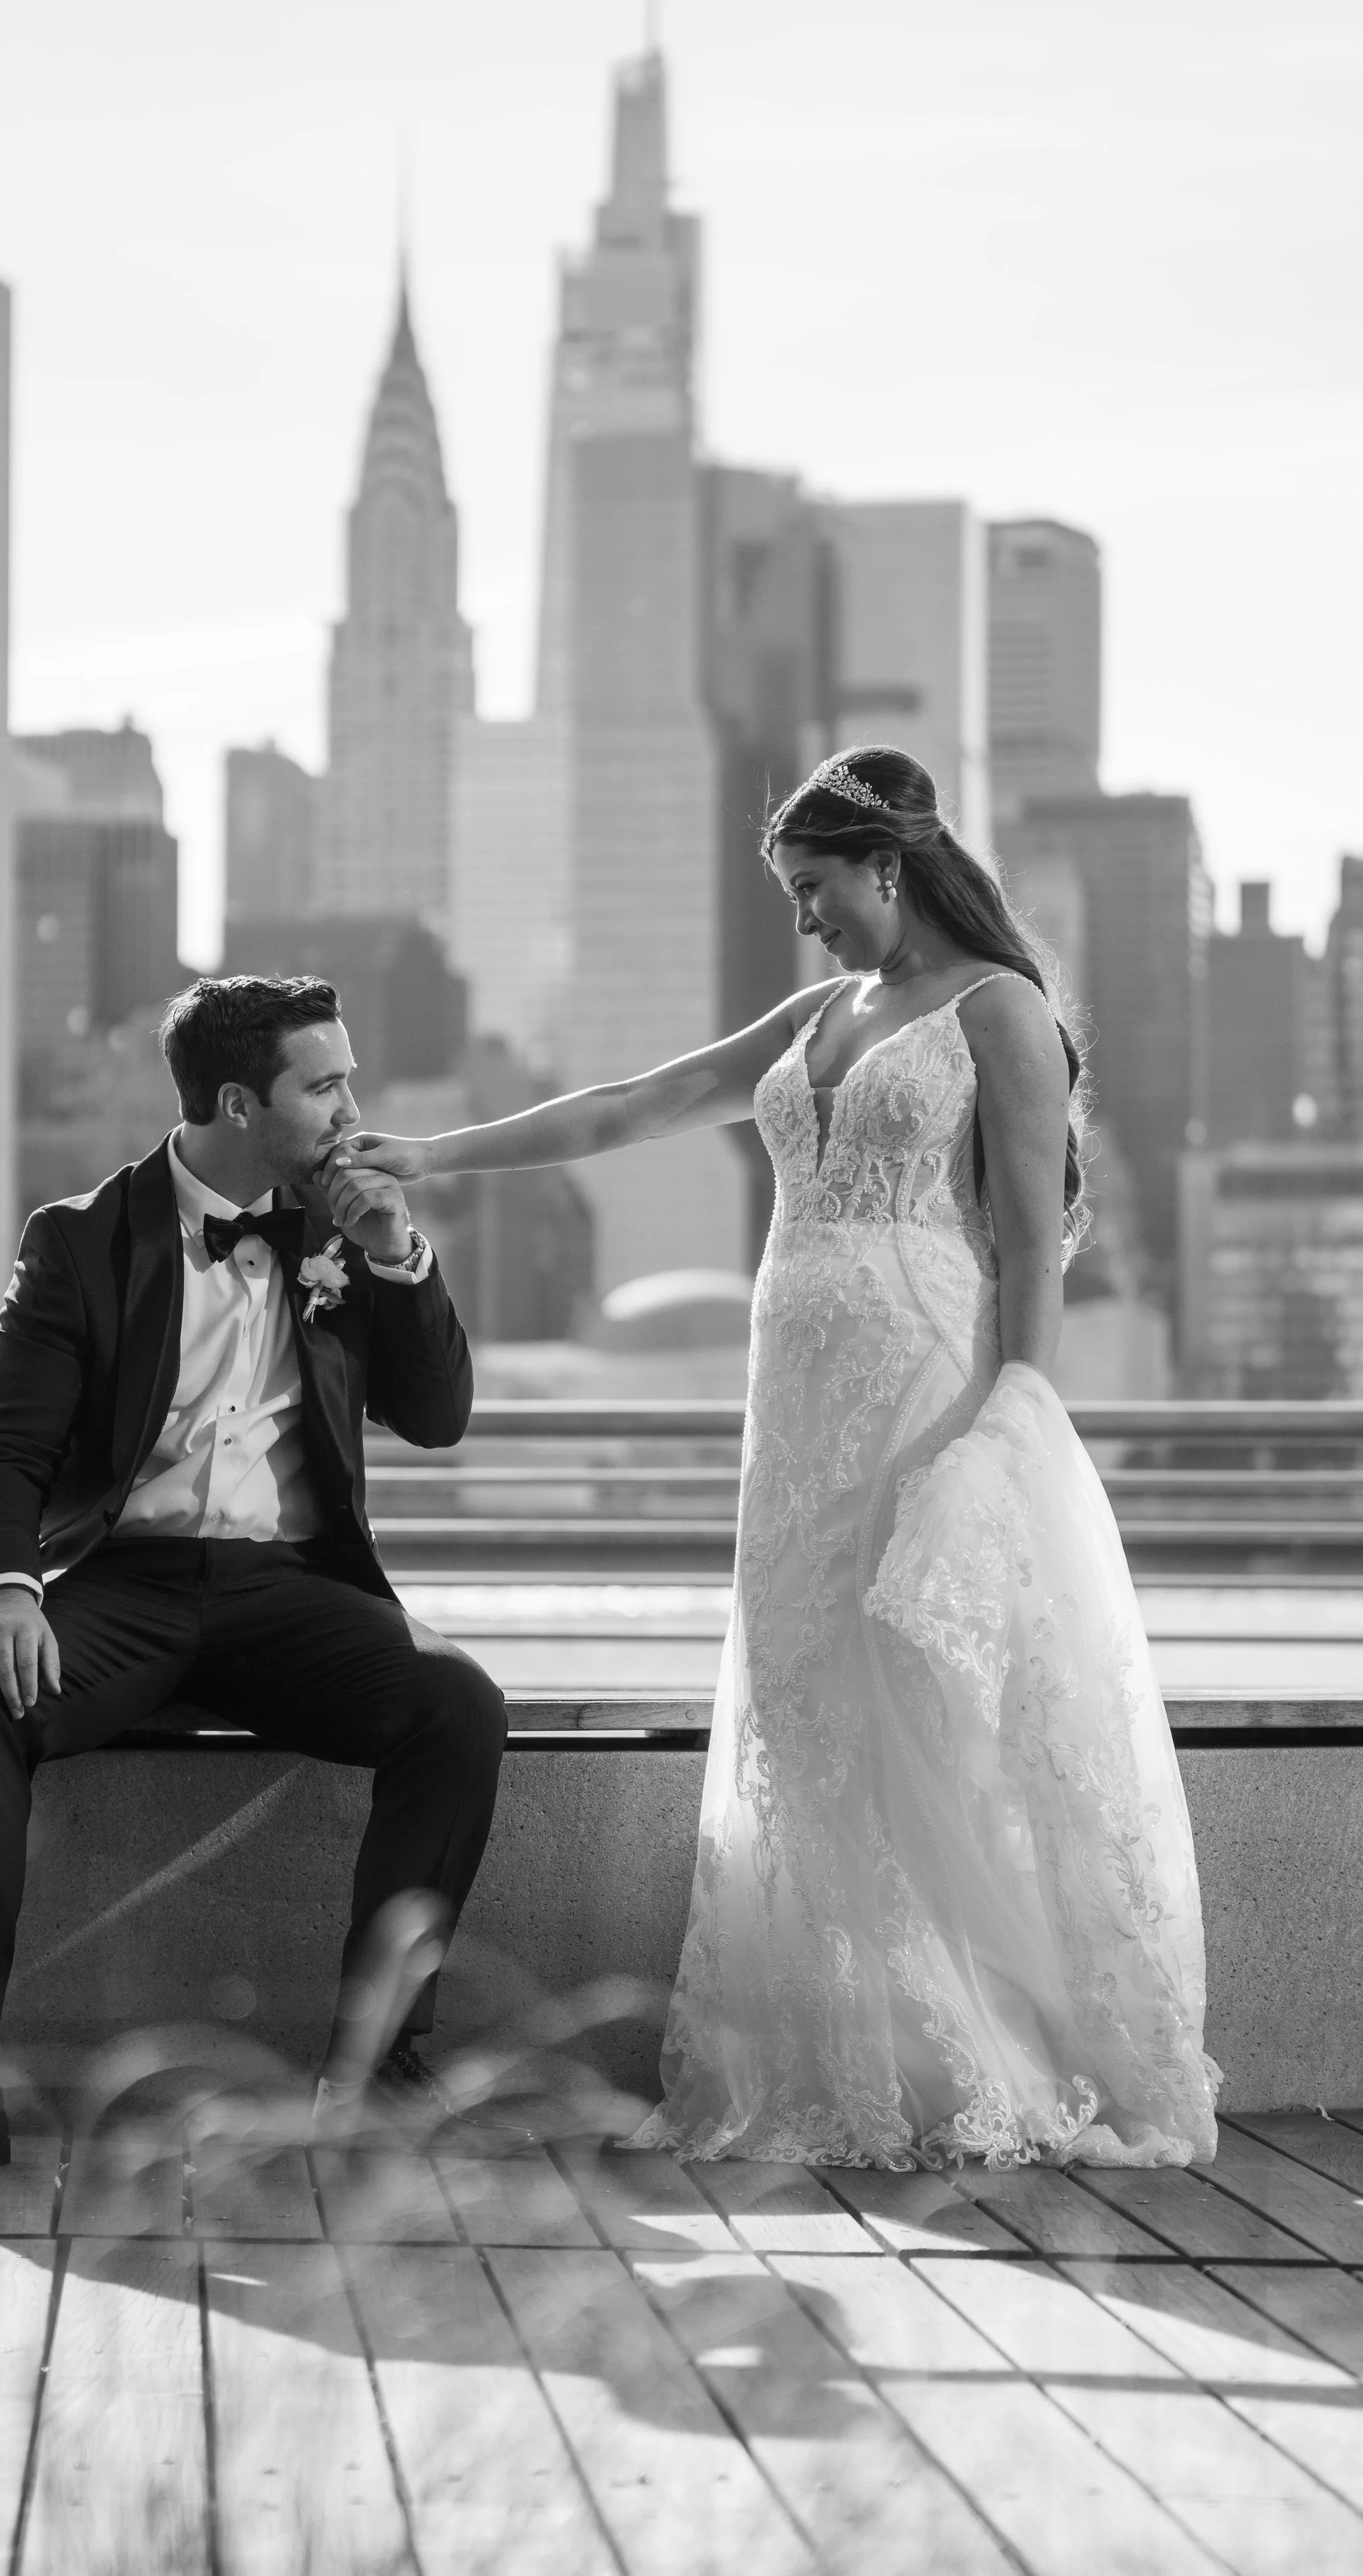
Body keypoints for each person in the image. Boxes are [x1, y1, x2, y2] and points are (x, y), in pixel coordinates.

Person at [346, 746, 1219, 2168]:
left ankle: (967, 2059)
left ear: (888, 866)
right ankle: (836, 2051)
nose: (803, 920)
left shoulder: (999, 1013)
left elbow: (1022, 1239)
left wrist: (1014, 1422)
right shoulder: (824, 1008)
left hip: (923, 1392)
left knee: (920, 1712)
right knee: (806, 1708)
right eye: (790, 896)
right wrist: (431, 1155)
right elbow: (630, 1105)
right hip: (796, 1410)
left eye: (815, 889)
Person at [0, 973, 508, 2179]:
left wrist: (397, 1254)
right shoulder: (83, 1239)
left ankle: (376, 2075)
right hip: (125, 1586)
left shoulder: (345, 1231)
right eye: (328, 1083)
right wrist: (0, 1590)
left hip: (293, 1591)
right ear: (242, 1104)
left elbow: (440, 1416)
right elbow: (11, 1448)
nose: (354, 1107)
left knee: (459, 1704)